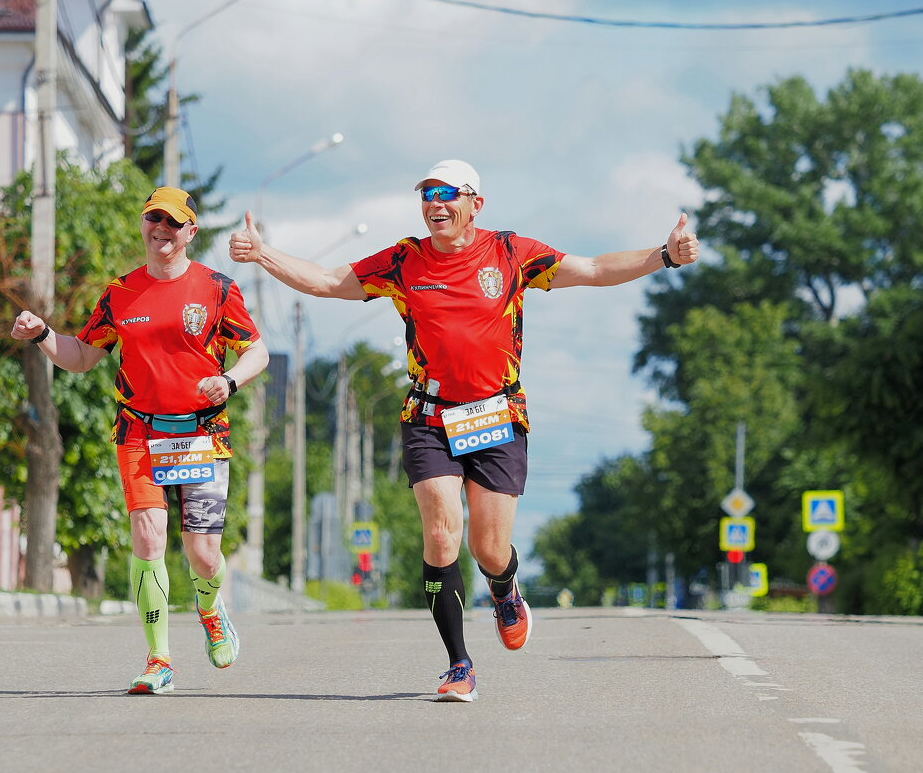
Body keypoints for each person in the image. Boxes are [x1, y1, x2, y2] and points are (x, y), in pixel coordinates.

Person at [229, 159, 699, 702]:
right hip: (429, 417)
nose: (435, 203)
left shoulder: (510, 253)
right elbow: (332, 282)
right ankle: (459, 664)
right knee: (440, 534)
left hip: (496, 414)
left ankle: (504, 587)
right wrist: (262, 253)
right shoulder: (404, 260)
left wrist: (663, 256)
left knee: (488, 547)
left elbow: (593, 268)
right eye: (426, 194)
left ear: (476, 202)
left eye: (447, 193)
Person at [12, 186, 268, 695]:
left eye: (173, 223)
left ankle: (211, 610)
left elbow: (257, 351)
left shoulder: (217, 288)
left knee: (203, 555)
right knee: (149, 537)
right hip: (140, 430)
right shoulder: (120, 293)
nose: (162, 230)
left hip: (201, 431)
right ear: (143, 225)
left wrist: (231, 380)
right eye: (154, 220)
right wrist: (43, 334)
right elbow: (84, 355)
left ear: (190, 231)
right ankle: (159, 659)